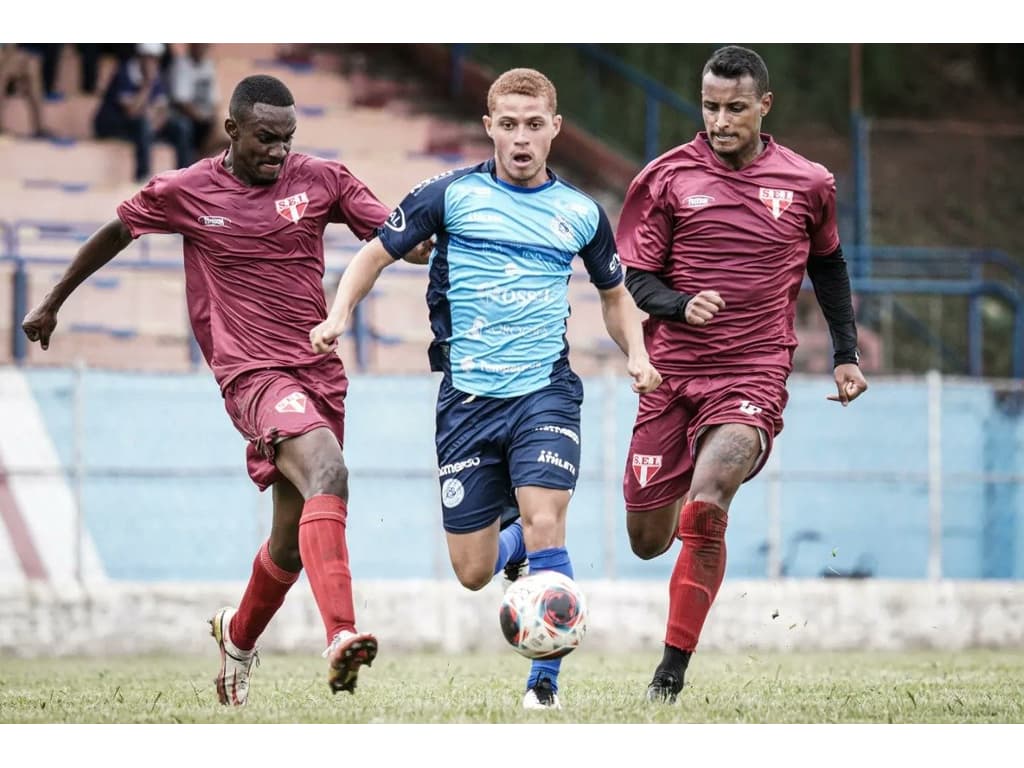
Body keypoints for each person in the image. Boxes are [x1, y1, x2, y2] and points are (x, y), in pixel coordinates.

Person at [22, 73, 428, 706]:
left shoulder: (322, 180)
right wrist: (51, 302)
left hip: (319, 372)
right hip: (251, 375)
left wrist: (436, 236)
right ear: (233, 130)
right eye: (266, 138)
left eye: (288, 139)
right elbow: (116, 232)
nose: (279, 151)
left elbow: (394, 238)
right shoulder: (187, 190)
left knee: (290, 545)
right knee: (330, 471)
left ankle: (235, 641)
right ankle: (342, 636)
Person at [309, 67, 662, 710]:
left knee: (547, 519)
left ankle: (544, 688)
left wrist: (636, 353)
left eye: (534, 125)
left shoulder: (581, 213)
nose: (521, 139)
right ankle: (525, 536)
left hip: (544, 394)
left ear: (555, 128)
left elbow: (614, 295)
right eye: (508, 125)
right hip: (466, 401)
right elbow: (372, 255)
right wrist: (338, 315)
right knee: (474, 572)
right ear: (488, 128)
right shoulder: (449, 196)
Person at [615, 45, 869, 704]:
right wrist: (678, 305)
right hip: (670, 375)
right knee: (647, 540)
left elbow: (830, 268)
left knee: (708, 502)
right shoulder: (665, 178)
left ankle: (669, 675)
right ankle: (677, 527)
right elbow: (633, 278)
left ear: (764, 106)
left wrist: (846, 354)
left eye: (734, 108)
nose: (720, 120)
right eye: (709, 106)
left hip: (752, 375)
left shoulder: (809, 183)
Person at [93, 43, 192, 182]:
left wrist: (157, 122)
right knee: (143, 124)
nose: (153, 63)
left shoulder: (157, 75)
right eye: (150, 58)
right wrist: (147, 84)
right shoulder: (125, 71)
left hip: (141, 126)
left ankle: (184, 178)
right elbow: (131, 111)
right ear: (140, 57)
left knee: (181, 125)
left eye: (156, 59)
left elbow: (162, 108)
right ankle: (143, 177)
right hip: (112, 125)